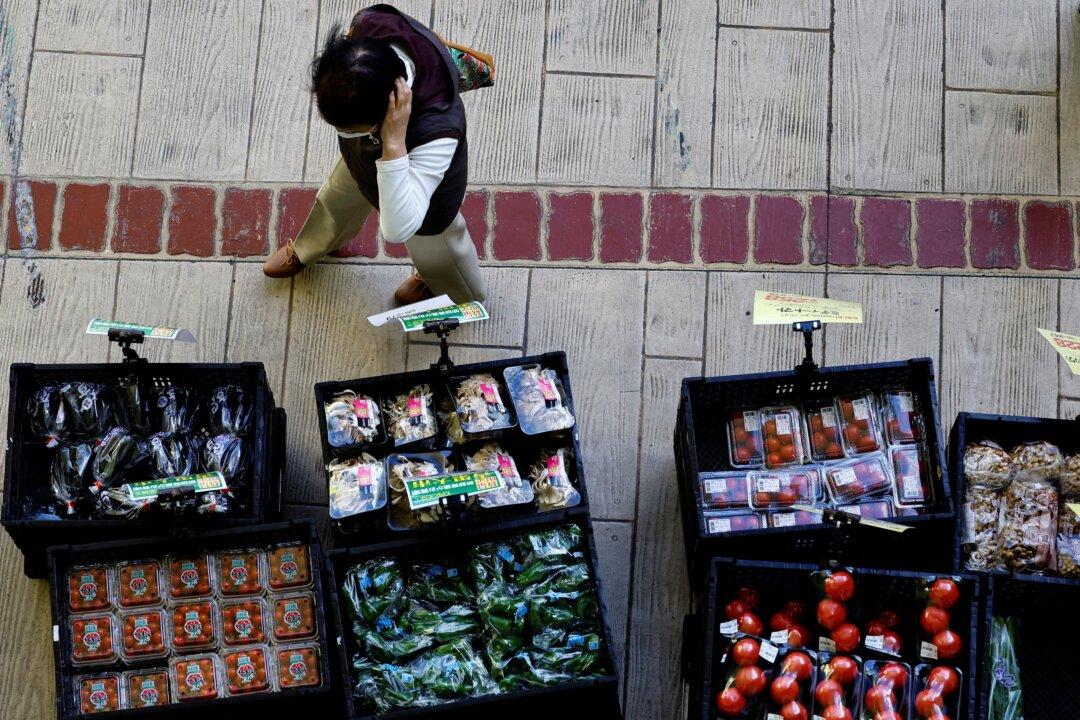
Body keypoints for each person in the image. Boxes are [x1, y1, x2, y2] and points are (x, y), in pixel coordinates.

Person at [263, 3, 487, 306]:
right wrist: (366, 137)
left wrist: (394, 145)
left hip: (426, 202)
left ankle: (454, 292)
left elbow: (398, 228)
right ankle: (314, 246)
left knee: (438, 250)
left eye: (350, 129)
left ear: (388, 113)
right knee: (334, 201)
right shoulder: (370, 24)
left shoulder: (438, 131)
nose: (342, 132)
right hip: (362, 161)